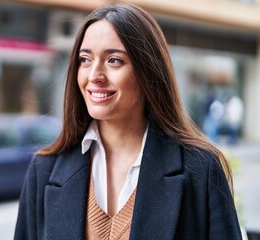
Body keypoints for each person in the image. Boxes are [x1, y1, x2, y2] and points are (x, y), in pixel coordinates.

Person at [14, 3, 242, 240]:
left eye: (114, 60)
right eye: (85, 59)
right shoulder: (43, 170)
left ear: (148, 71)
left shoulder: (201, 169)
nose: (94, 76)